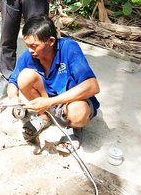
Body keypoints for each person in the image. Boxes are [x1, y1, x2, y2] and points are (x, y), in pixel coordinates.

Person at [7, 15, 100, 152]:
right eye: (27, 46)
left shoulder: (68, 48)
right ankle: (45, 117)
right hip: (47, 101)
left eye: (34, 46)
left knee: (78, 112)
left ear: (50, 41)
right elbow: (12, 82)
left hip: (70, 101)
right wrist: (15, 100)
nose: (30, 50)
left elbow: (93, 86)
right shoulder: (30, 55)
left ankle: (75, 128)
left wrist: (49, 102)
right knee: (24, 76)